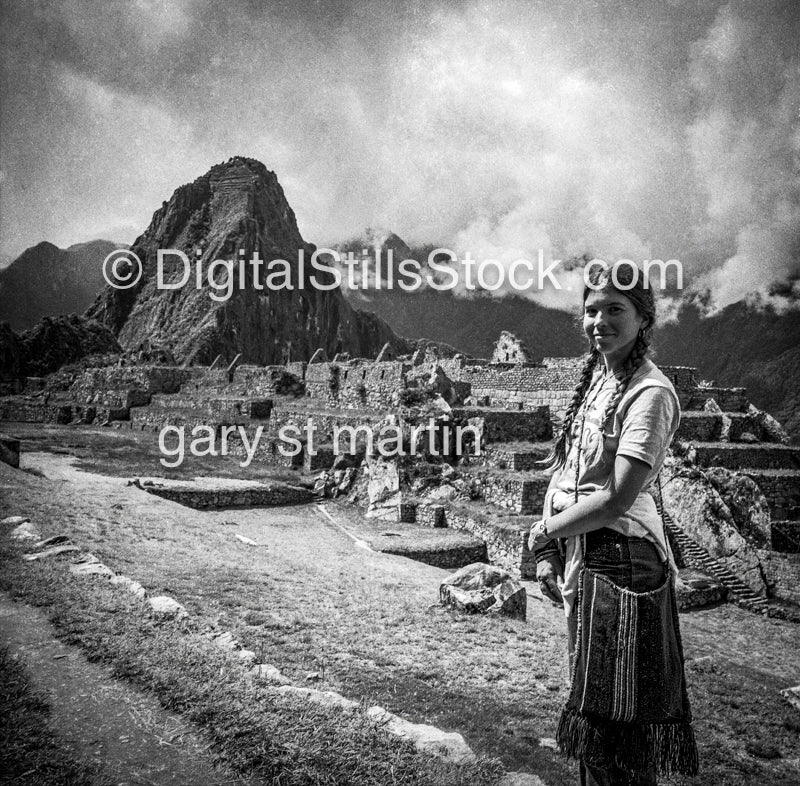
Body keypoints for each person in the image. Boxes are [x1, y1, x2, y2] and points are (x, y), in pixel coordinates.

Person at [527, 262, 698, 785]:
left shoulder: (650, 393)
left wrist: (546, 533)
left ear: (644, 318)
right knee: (596, 723)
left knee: (617, 731)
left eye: (614, 309)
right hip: (590, 556)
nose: (599, 320)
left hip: (622, 565)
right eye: (591, 309)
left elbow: (616, 498)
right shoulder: (598, 380)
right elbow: (570, 477)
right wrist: (551, 549)